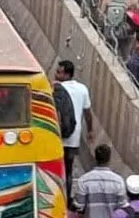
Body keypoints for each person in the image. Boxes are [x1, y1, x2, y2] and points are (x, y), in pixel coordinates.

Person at [54, 60, 93, 196]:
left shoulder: (54, 88)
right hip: (73, 136)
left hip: (56, 135)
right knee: (69, 169)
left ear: (67, 74)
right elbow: (87, 112)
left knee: (55, 170)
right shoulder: (82, 89)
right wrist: (90, 130)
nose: (55, 74)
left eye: (59, 72)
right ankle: (68, 199)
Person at [73, 143, 124, 218]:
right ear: (109, 159)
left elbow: (79, 205)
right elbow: (122, 205)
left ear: (96, 157)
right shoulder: (118, 181)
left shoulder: (84, 180)